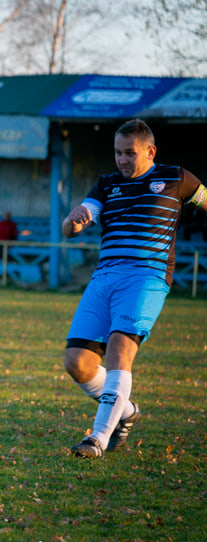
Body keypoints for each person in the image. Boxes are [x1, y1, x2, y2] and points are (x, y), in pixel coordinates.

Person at [62, 118, 206, 459]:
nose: (122, 160)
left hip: (147, 277)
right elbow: (71, 229)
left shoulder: (176, 179)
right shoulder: (107, 185)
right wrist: (75, 217)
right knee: (77, 363)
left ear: (150, 151)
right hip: (104, 278)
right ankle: (126, 412)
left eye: (129, 153)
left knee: (118, 349)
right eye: (117, 153)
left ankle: (96, 438)